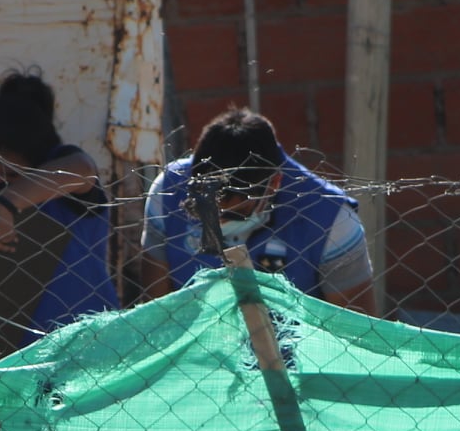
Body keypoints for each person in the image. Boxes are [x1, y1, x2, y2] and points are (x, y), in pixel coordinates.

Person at [0, 72, 118, 359]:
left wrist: (4, 207)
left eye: (11, 174)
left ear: (41, 161)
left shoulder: (65, 186)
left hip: (90, 349)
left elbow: (82, 167)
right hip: (7, 366)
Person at [140, 107, 378, 314]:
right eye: (204, 211)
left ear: (273, 184)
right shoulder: (169, 190)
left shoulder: (332, 219)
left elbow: (357, 335)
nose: (219, 224)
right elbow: (155, 314)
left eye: (234, 213)